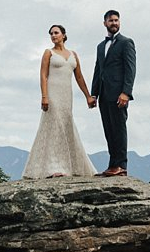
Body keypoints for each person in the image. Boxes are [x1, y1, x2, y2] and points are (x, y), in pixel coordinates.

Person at [21, 24, 97, 178]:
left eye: (56, 33)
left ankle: (73, 166)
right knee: (54, 125)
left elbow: (79, 77)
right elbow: (43, 75)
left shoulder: (73, 54)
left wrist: (88, 96)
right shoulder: (48, 53)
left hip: (67, 96)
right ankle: (53, 167)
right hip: (53, 94)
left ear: (64, 34)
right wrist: (44, 96)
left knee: (67, 124)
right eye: (51, 34)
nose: (53, 36)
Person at [90, 9, 136, 177]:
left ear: (119, 22)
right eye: (111, 21)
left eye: (116, 20)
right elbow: (98, 70)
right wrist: (93, 94)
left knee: (119, 129)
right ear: (105, 23)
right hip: (103, 94)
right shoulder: (100, 46)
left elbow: (130, 70)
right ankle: (112, 165)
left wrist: (126, 93)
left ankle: (121, 165)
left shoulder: (126, 42)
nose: (114, 23)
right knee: (108, 130)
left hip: (118, 95)